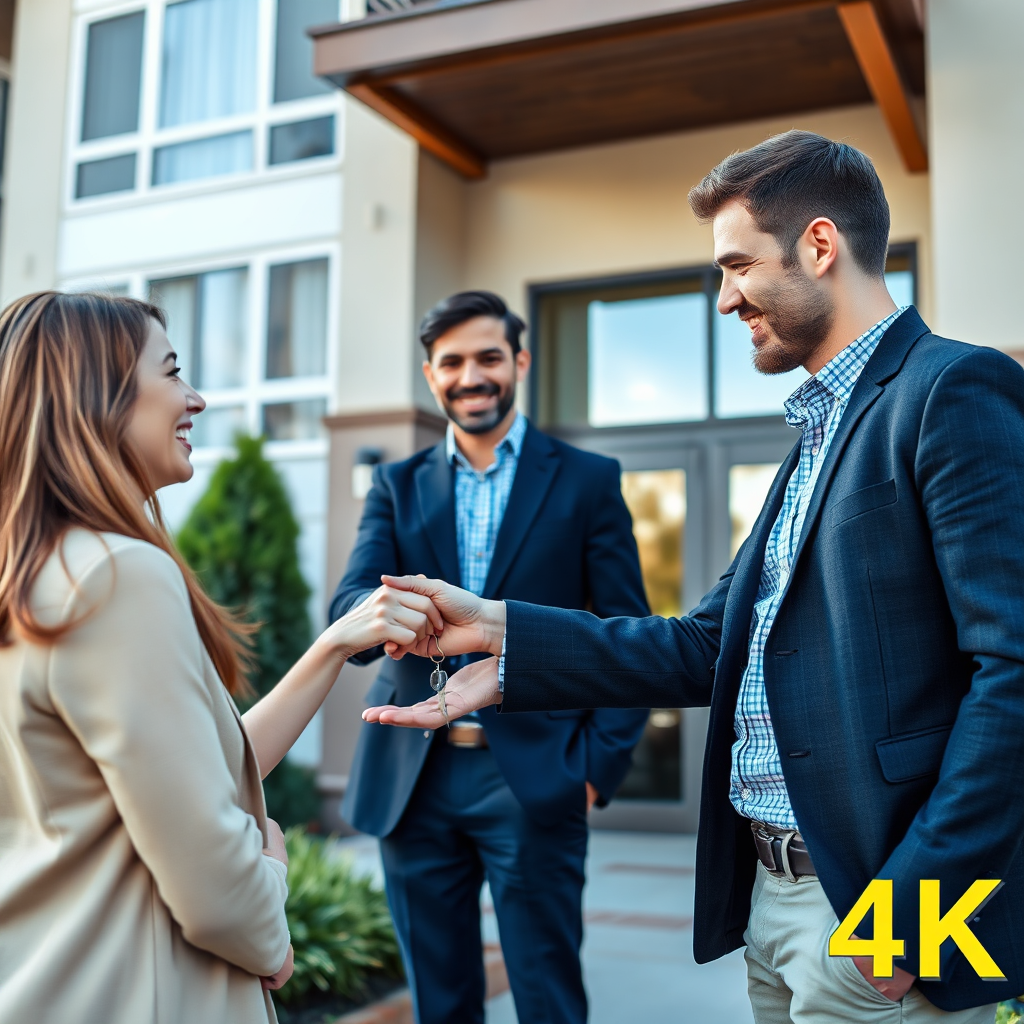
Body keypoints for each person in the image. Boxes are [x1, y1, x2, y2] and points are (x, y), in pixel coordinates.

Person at [364, 132, 1024, 1023]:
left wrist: (908, 917)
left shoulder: (952, 391)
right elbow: (710, 644)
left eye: (737, 265)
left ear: (820, 247)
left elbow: (1014, 673)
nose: (723, 299)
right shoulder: (817, 436)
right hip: (774, 900)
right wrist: (507, 633)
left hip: (878, 911)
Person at [0, 292, 440, 1024]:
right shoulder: (116, 577)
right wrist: (269, 891)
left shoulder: (36, 576)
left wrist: (332, 643)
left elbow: (199, 768)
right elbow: (213, 879)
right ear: (97, 396)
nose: (195, 397)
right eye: (171, 371)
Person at [328, 290, 650, 1024]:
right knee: (440, 1005)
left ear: (519, 362)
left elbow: (629, 633)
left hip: (537, 778)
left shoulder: (588, 480)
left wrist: (597, 769)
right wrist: (389, 618)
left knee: (547, 998)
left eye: (487, 358)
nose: (470, 376)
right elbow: (347, 604)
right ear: (429, 374)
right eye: (452, 363)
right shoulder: (395, 484)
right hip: (413, 781)